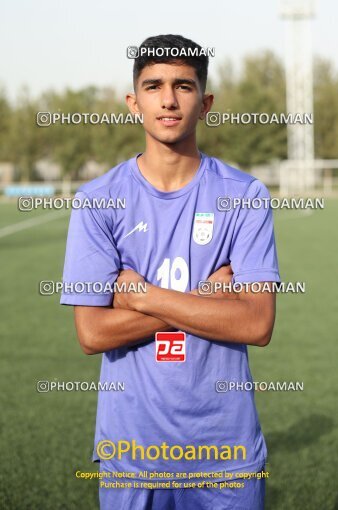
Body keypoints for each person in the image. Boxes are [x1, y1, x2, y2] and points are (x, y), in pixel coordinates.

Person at [61, 34, 280, 510]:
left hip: (225, 453)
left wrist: (144, 297)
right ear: (132, 101)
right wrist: (207, 297)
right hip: (132, 451)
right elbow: (92, 333)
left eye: (183, 85)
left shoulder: (244, 196)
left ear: (205, 102)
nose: (168, 99)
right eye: (153, 85)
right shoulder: (98, 201)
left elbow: (257, 323)